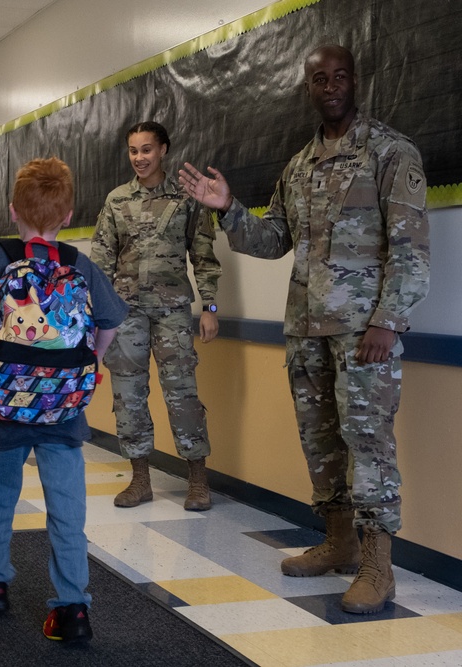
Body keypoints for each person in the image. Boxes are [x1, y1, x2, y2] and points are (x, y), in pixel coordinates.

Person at [178, 44, 430, 614]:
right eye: (319, 78)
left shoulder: (390, 152)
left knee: (368, 447)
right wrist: (227, 208)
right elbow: (272, 241)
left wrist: (387, 321)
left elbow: (411, 250)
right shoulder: (298, 166)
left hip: (365, 335)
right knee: (321, 445)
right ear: (309, 89)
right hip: (306, 333)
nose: (331, 86)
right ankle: (338, 541)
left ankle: (377, 566)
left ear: (356, 82)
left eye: (340, 76)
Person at [0, 158, 128, 643]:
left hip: (5, 401)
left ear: (12, 211)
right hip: (64, 406)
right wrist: (90, 362)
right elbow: (108, 320)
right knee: (68, 505)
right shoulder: (77, 262)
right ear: (68, 216)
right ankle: (71, 610)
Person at [91, 121, 222, 512]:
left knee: (182, 396)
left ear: (163, 149)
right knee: (128, 397)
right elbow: (100, 263)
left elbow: (204, 258)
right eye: (133, 151)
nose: (139, 158)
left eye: (146, 150)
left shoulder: (186, 198)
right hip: (125, 314)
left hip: (172, 315)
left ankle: (198, 481)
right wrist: (98, 316)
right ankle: (140, 480)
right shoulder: (116, 200)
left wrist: (210, 308)